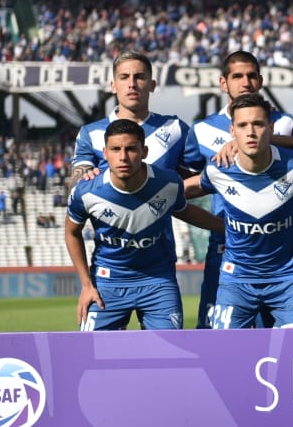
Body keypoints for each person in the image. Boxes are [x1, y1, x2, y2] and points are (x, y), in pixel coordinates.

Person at [64, 119, 222, 331]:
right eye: (115, 149)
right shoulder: (86, 192)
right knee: (91, 355)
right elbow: (71, 232)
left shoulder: (168, 183)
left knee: (169, 353)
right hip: (107, 282)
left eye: (131, 149)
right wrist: (86, 285)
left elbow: (184, 211)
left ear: (144, 151)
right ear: (104, 153)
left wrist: (227, 228)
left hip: (158, 281)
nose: (123, 157)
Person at [183, 51, 293, 329]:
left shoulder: (281, 123)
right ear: (224, 83)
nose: (245, 82)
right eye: (237, 76)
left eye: (251, 76)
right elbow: (187, 180)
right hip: (226, 247)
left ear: (260, 80)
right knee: (217, 340)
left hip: (276, 251)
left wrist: (244, 142)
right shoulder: (201, 130)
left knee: (278, 342)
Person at [70, 51, 189, 182]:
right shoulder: (90, 134)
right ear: (113, 86)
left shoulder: (175, 128)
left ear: (152, 85)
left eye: (139, 77)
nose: (132, 84)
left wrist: (169, 194)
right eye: (124, 77)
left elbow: (202, 178)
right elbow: (76, 185)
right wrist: (84, 180)